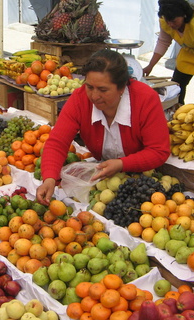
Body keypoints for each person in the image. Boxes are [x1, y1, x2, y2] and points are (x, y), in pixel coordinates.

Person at [36, 49, 170, 205]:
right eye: (90, 87)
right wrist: (49, 178)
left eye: (103, 90)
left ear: (121, 88)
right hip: (104, 178)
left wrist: (122, 164)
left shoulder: (145, 99)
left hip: (142, 180)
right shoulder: (80, 99)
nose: (94, 96)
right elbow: (57, 142)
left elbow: (159, 151)